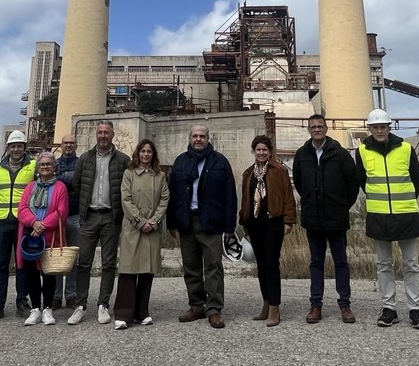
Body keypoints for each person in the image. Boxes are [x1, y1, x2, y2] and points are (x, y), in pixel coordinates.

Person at [358, 109, 419, 330]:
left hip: (405, 214)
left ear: (389, 127)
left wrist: (403, 201)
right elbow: (362, 181)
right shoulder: (362, 151)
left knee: (411, 264)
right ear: (370, 129)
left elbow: (416, 179)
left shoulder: (406, 148)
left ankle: (415, 309)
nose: (379, 131)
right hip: (379, 215)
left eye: (383, 127)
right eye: (375, 127)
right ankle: (389, 308)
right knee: (383, 264)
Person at [291, 112, 360, 324]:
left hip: (336, 219)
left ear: (326, 128)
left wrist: (341, 206)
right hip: (313, 218)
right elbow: (300, 183)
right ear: (308, 129)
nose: (317, 129)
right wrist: (310, 201)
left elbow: (352, 183)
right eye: (313, 126)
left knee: (341, 262)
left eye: (320, 126)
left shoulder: (340, 153)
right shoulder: (302, 154)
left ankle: (345, 305)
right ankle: (315, 306)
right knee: (316, 263)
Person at [168, 124, 237, 329]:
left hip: (211, 222)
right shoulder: (180, 162)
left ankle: (214, 309)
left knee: (213, 266)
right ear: (189, 138)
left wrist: (229, 225)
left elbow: (229, 194)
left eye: (202, 136)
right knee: (191, 267)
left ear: (208, 138)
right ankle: (196, 305)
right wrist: (172, 222)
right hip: (186, 221)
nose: (198, 139)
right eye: (195, 136)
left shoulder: (220, 162)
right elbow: (173, 194)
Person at [67, 120, 130, 326]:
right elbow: (77, 185)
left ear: (113, 135)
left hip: (111, 217)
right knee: (83, 263)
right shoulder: (85, 159)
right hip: (89, 216)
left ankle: (103, 304)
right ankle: (80, 305)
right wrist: (86, 205)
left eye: (106, 132)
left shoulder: (123, 160)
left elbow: (127, 187)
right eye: (100, 132)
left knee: (108, 264)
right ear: (96, 134)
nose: (103, 136)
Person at [238, 134, 296, 327]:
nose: (261, 153)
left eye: (264, 149)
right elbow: (245, 198)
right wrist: (244, 221)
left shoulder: (278, 170)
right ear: (253, 152)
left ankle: (274, 307)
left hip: (274, 222)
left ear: (270, 152)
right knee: (261, 264)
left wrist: (288, 220)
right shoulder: (248, 173)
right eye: (258, 150)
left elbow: (288, 195)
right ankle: (266, 302)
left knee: (271, 263)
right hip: (255, 224)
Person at [112, 139, 169, 330]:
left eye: (149, 151)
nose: (146, 154)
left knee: (147, 269)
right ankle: (123, 313)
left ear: (153, 155)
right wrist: (140, 221)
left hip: (152, 228)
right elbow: (126, 199)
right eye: (143, 151)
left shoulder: (160, 176)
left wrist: (154, 221)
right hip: (133, 227)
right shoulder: (129, 174)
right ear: (138, 153)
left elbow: (164, 199)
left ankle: (141, 312)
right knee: (128, 270)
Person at [0, 130, 36, 323]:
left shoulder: (33, 166)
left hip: (23, 222)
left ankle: (22, 302)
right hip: (2, 221)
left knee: (23, 263)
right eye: (13, 146)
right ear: (8, 148)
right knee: (2, 264)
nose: (16, 149)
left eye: (19, 146)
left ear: (24, 148)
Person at [17, 152, 70, 326]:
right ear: (38, 168)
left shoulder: (60, 187)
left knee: (48, 274)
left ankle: (47, 308)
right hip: (30, 235)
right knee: (31, 272)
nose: (45, 167)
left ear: (55, 167)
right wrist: (34, 222)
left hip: (49, 236)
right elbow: (22, 208)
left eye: (49, 164)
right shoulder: (30, 187)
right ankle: (35, 309)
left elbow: (61, 212)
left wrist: (43, 225)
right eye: (42, 164)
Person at [53, 133, 80, 309]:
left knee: (73, 256)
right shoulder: (54, 163)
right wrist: (69, 179)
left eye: (72, 143)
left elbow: (78, 182)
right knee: (56, 255)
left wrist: (60, 177)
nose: (69, 145)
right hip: (56, 216)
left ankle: (71, 294)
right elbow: (50, 180)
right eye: (66, 143)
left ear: (76, 145)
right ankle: (56, 295)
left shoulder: (82, 163)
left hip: (76, 214)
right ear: (61, 145)